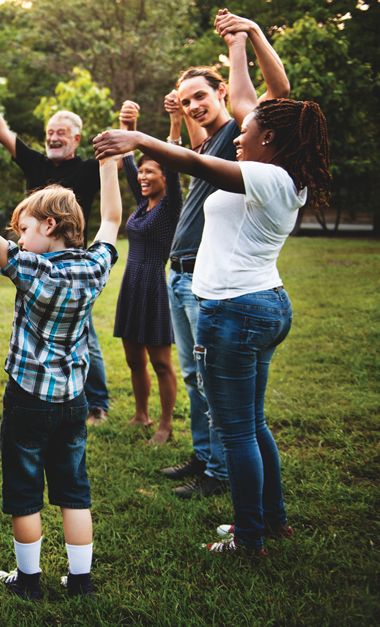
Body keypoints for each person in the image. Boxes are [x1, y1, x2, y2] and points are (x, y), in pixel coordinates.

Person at [94, 11, 329, 556]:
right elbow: (251, 102)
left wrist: (139, 137)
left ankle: (248, 538)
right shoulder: (278, 173)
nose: (238, 138)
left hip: (236, 310)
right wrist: (241, 41)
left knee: (239, 431)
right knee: (254, 423)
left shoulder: (266, 175)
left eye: (246, 134)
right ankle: (273, 520)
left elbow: (192, 161)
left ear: (269, 138)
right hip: (261, 303)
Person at [0, 144, 124, 601]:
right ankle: (80, 582)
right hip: (73, 399)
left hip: (28, 398)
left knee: (24, 491)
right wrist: (108, 168)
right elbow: (112, 222)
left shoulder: (33, 269)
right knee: (74, 490)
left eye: (23, 229)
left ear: (49, 226)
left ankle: (28, 582)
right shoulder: (96, 266)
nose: (19, 238)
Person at [156, 11, 291, 499]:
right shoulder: (221, 141)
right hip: (183, 272)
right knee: (196, 378)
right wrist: (177, 115)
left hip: (214, 285)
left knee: (217, 388)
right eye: (186, 98)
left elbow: (266, 95)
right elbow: (193, 146)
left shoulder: (241, 137)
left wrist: (243, 39)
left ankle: (220, 473)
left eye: (201, 97)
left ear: (222, 96)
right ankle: (206, 455)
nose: (194, 105)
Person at [0, 95, 112, 425]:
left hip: (72, 265)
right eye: (49, 132)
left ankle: (96, 403)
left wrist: (123, 138)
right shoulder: (36, 163)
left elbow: (113, 189)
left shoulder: (86, 168)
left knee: (86, 336)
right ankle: (64, 396)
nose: (53, 137)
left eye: (61, 132)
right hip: (39, 265)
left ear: (76, 139)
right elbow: (2, 133)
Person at [113, 100, 182, 445]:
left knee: (160, 362)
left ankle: (166, 425)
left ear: (164, 177)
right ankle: (141, 415)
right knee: (132, 358)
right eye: (141, 172)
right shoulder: (143, 205)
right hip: (131, 283)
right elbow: (126, 162)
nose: (141, 176)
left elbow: (171, 160)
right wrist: (128, 125)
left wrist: (174, 124)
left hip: (154, 283)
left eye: (149, 171)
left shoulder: (171, 206)